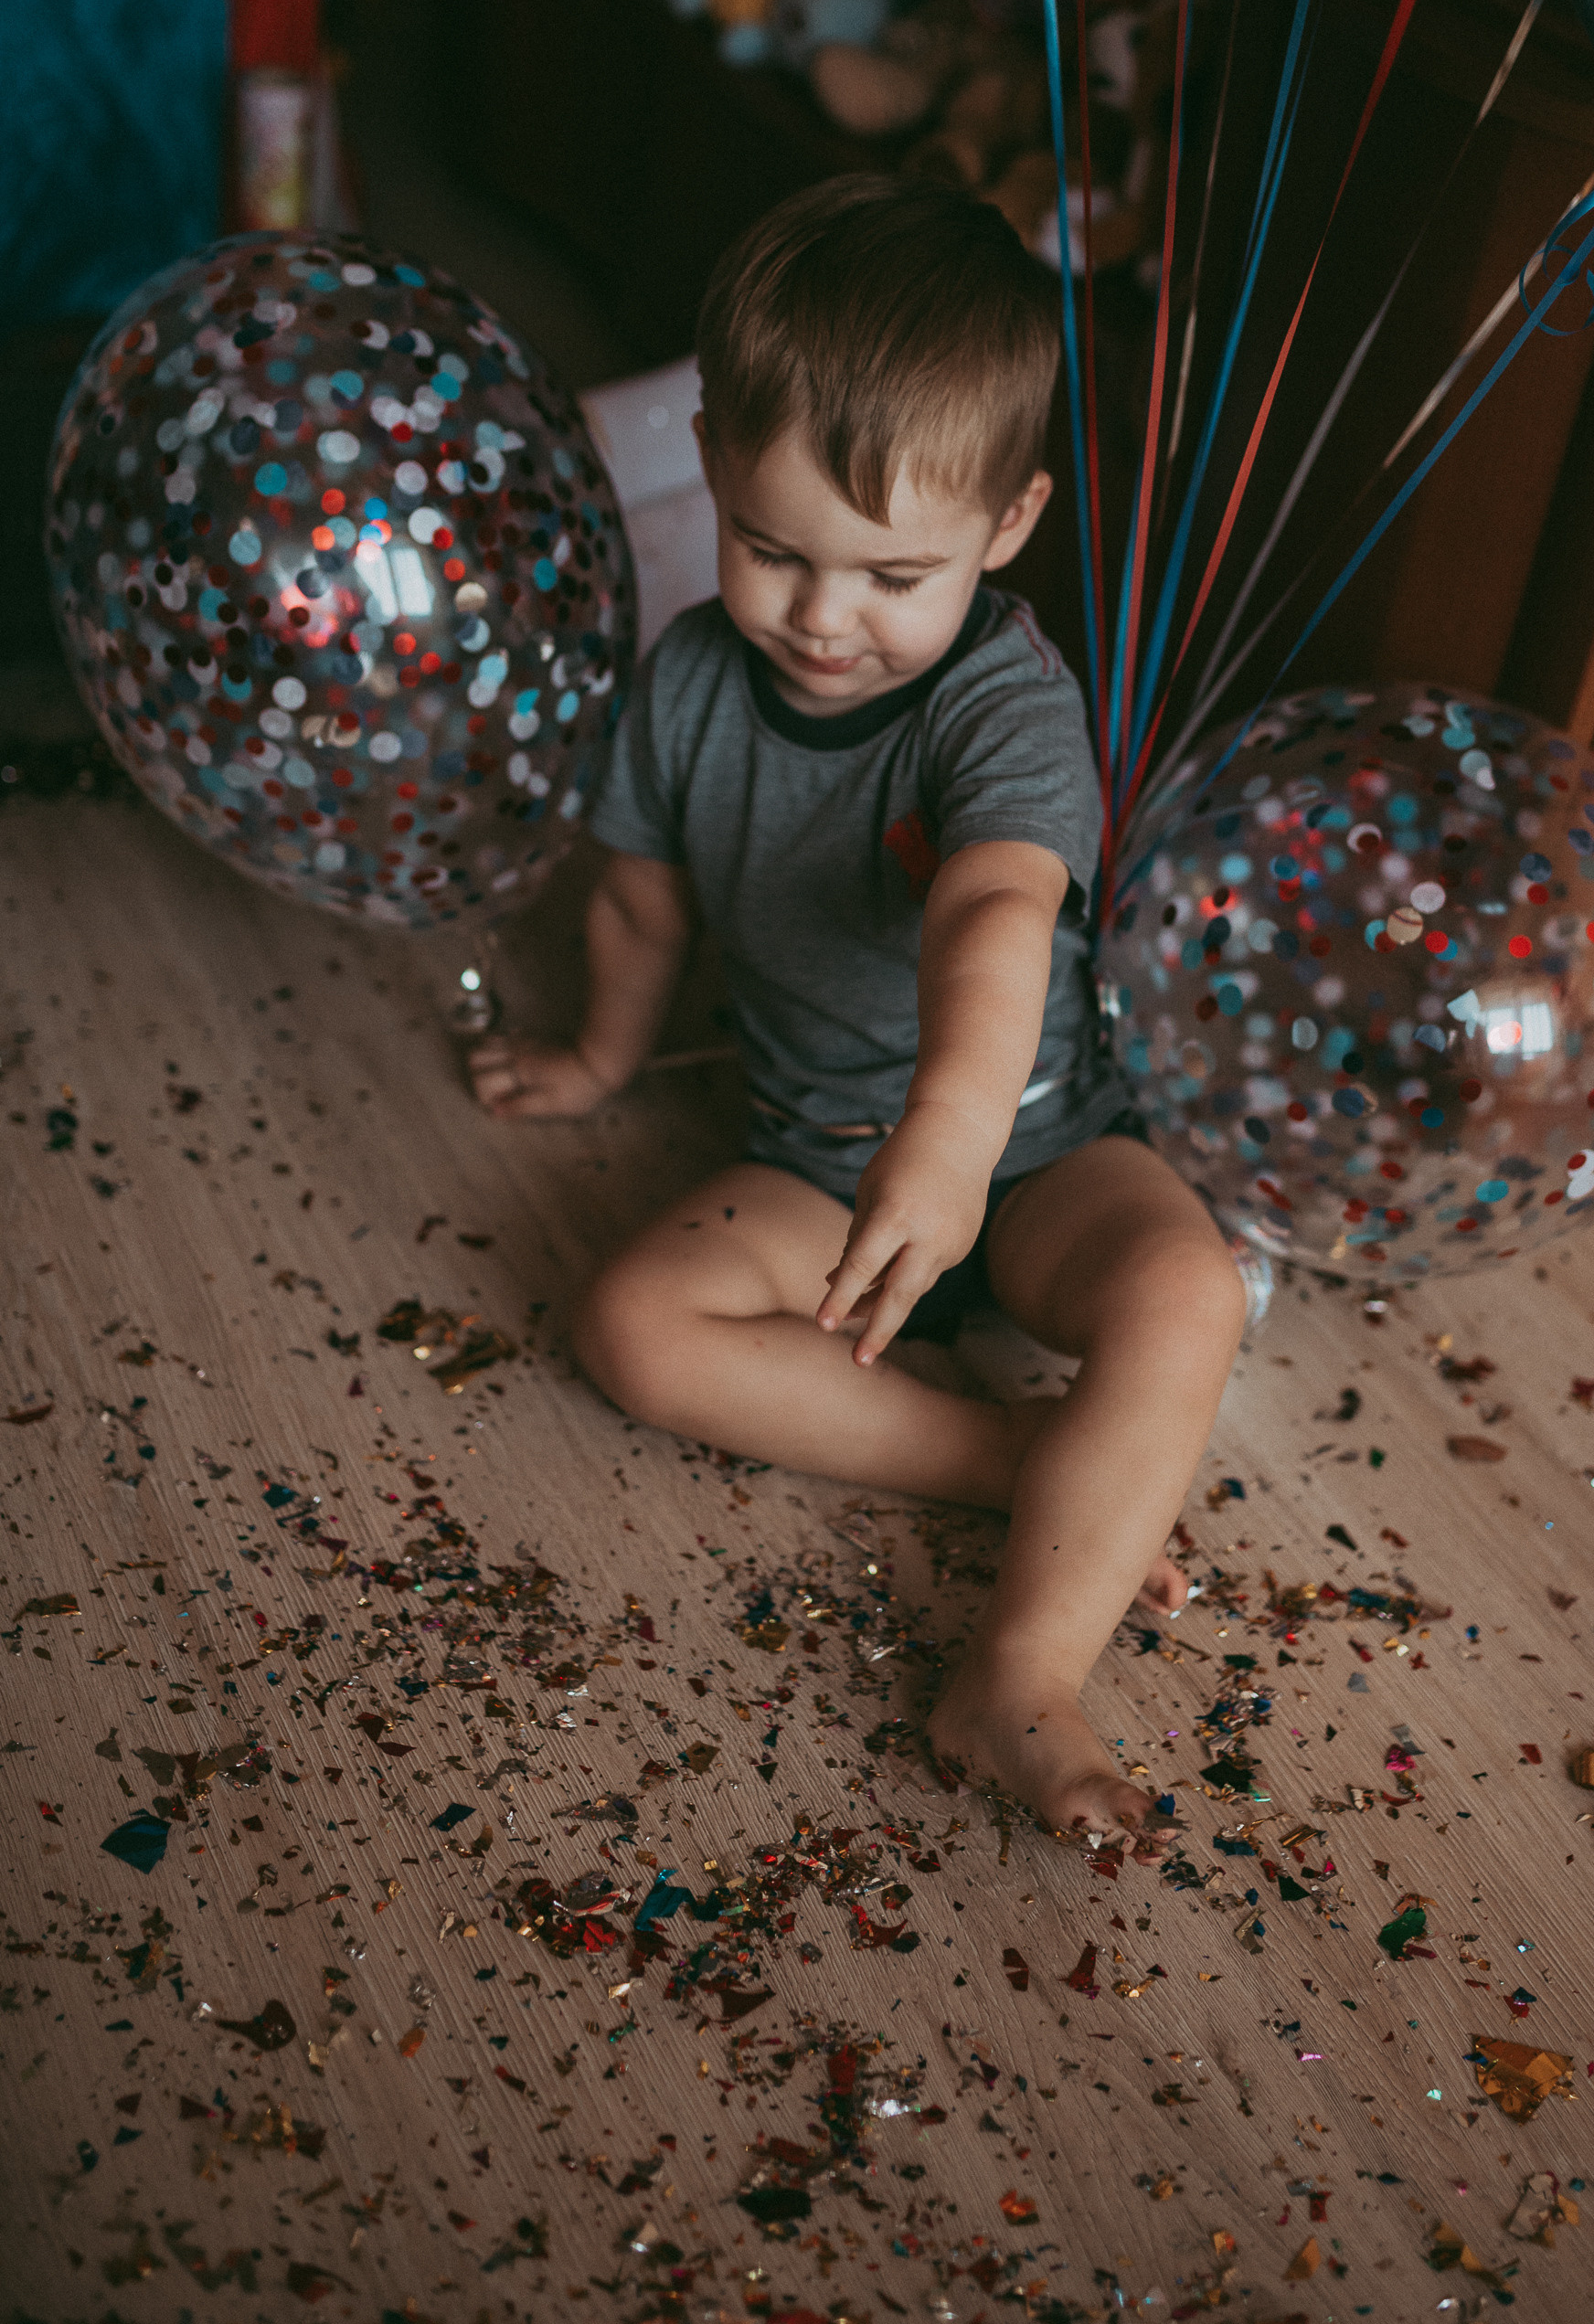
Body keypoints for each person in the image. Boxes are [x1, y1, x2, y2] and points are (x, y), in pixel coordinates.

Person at [469, 176, 1249, 1851]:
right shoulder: (683, 684)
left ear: (1012, 521)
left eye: (895, 572)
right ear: (710, 458)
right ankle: (1002, 1454)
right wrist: (601, 1052)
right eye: (771, 551)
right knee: (632, 1324)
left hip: (1036, 1150)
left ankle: (1022, 1677)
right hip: (815, 1156)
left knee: (1188, 1289)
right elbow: (637, 900)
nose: (823, 620)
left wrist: (957, 1144)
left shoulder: (1008, 703)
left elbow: (995, 910)